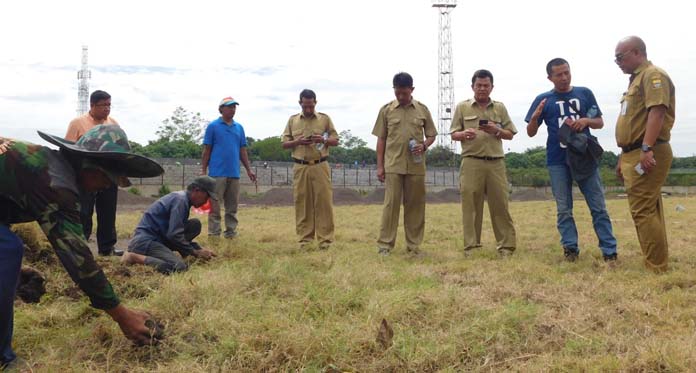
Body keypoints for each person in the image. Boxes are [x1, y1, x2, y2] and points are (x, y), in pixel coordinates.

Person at [1, 125, 165, 370]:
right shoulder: (55, 184)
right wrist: (122, 315)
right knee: (8, 249)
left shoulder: (46, 163)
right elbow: (78, 259)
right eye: (107, 179)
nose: (106, 187)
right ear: (90, 166)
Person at [525, 58, 618, 263]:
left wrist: (585, 121)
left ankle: (609, 251)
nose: (564, 77)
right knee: (564, 209)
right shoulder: (543, 99)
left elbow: (599, 122)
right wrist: (535, 117)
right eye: (559, 74)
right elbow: (530, 133)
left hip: (584, 157)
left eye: (567, 72)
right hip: (557, 160)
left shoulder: (584, 93)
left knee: (598, 207)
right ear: (550, 77)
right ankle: (570, 249)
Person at [614, 36, 675, 273]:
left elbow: (657, 112)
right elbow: (633, 122)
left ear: (637, 52)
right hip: (633, 152)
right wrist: (623, 157)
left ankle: (656, 266)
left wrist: (646, 148)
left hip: (647, 150)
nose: (617, 62)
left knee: (643, 210)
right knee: (648, 208)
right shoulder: (635, 81)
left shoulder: (653, 75)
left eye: (620, 57)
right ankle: (657, 261)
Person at [450, 69, 517, 256]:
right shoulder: (462, 107)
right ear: (472, 86)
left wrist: (496, 130)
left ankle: (506, 246)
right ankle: (471, 247)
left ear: (492, 87)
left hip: (496, 163)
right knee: (470, 205)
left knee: (500, 205)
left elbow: (510, 134)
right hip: (471, 162)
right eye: (478, 85)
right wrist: (463, 134)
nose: (482, 89)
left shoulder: (500, 108)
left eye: (486, 85)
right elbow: (453, 133)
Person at [372, 72, 437, 256]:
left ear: (412, 90)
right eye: (397, 92)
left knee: (415, 206)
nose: (401, 96)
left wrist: (424, 145)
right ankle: (385, 245)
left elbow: (432, 134)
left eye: (405, 93)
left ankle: (414, 246)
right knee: (390, 206)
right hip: (393, 165)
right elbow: (381, 140)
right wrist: (380, 166)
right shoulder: (386, 110)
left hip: (416, 167)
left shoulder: (422, 110)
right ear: (394, 90)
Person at [65, 90, 124, 256]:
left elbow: (119, 147)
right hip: (87, 176)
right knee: (84, 211)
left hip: (107, 175)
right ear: (92, 105)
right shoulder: (78, 123)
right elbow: (69, 149)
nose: (107, 109)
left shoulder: (113, 123)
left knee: (108, 211)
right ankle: (81, 247)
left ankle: (107, 248)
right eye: (103, 105)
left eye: (109, 105)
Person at [281, 89, 339, 249]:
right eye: (305, 106)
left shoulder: (325, 119)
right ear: (300, 103)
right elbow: (284, 144)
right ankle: (305, 241)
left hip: (320, 165)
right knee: (302, 203)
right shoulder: (293, 121)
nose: (308, 109)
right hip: (300, 167)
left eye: (311, 106)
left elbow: (336, 140)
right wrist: (297, 142)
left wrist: (324, 139)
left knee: (324, 203)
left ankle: (325, 241)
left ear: (315, 103)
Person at [122, 177, 217, 274]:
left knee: (195, 224)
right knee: (179, 267)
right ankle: (133, 257)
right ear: (197, 191)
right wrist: (194, 252)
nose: (206, 201)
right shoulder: (180, 201)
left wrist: (198, 249)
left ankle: (180, 253)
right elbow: (174, 235)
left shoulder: (184, 200)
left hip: (160, 238)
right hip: (146, 242)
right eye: (207, 197)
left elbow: (175, 232)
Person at [201, 97, 257, 239]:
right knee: (215, 207)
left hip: (234, 173)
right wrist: (203, 171)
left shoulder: (239, 128)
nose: (232, 109)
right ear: (221, 109)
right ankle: (214, 234)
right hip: (217, 173)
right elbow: (207, 150)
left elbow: (242, 151)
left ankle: (231, 233)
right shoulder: (213, 126)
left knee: (232, 207)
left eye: (234, 107)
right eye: (229, 107)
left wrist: (249, 170)